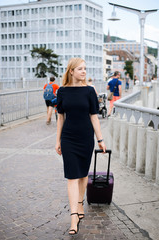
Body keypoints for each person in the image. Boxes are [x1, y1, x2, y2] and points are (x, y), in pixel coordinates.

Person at [55, 58, 106, 235]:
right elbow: (60, 117)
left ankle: (80, 203)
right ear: (71, 71)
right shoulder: (62, 92)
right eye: (80, 69)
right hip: (68, 138)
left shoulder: (90, 91)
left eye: (85, 68)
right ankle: (74, 217)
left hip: (86, 138)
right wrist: (58, 141)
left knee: (83, 175)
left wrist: (100, 139)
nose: (84, 71)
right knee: (72, 176)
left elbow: (94, 117)